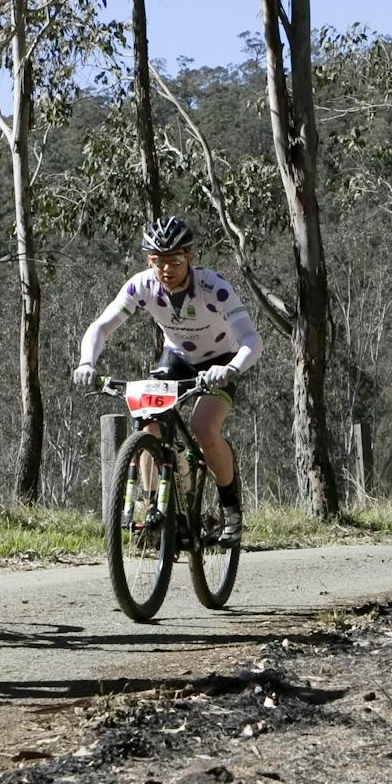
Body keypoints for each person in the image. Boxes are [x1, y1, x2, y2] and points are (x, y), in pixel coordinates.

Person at [72, 215, 261, 543]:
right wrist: (87, 361)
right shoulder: (141, 285)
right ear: (150, 260)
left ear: (189, 257)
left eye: (174, 260)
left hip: (222, 360)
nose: (166, 269)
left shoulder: (213, 286)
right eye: (158, 261)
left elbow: (251, 340)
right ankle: (156, 511)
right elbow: (101, 327)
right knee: (150, 425)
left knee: (204, 428)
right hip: (177, 358)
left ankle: (231, 510)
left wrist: (231, 369)